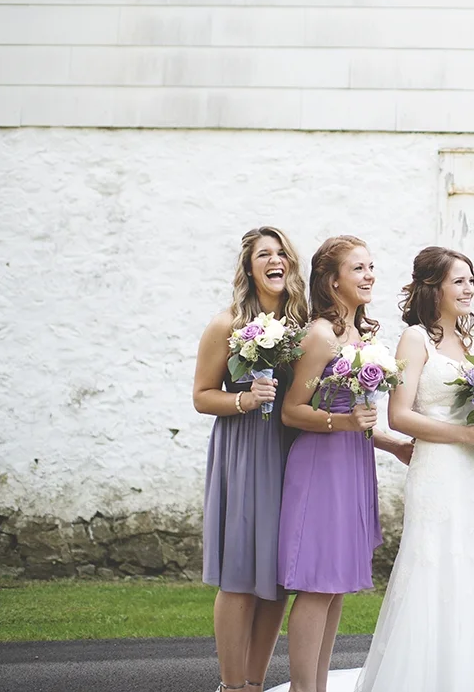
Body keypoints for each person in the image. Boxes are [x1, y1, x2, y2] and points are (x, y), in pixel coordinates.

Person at [352, 245, 474, 691]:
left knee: (471, 568)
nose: (468, 289)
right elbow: (399, 416)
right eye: (458, 281)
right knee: (435, 567)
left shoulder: (471, 342)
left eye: (471, 280)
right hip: (437, 471)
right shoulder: (416, 339)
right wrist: (469, 435)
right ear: (434, 288)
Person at [276, 236, 412, 692]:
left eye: (371, 266)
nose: (369, 275)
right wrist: (344, 422)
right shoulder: (321, 335)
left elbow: (360, 419)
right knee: (317, 583)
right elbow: (292, 411)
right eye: (358, 268)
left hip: (353, 463)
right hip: (321, 467)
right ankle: (302, 688)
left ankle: (317, 686)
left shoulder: (361, 335)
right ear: (332, 280)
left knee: (335, 587)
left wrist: (391, 444)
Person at [193, 226, 308, 692]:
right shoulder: (226, 325)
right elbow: (202, 396)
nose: (274, 260)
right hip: (243, 450)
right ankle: (231, 686)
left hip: (290, 450)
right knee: (240, 574)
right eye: (264, 254)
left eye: (281, 253)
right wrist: (244, 399)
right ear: (249, 267)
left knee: (276, 577)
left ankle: (255, 684)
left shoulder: (303, 324)